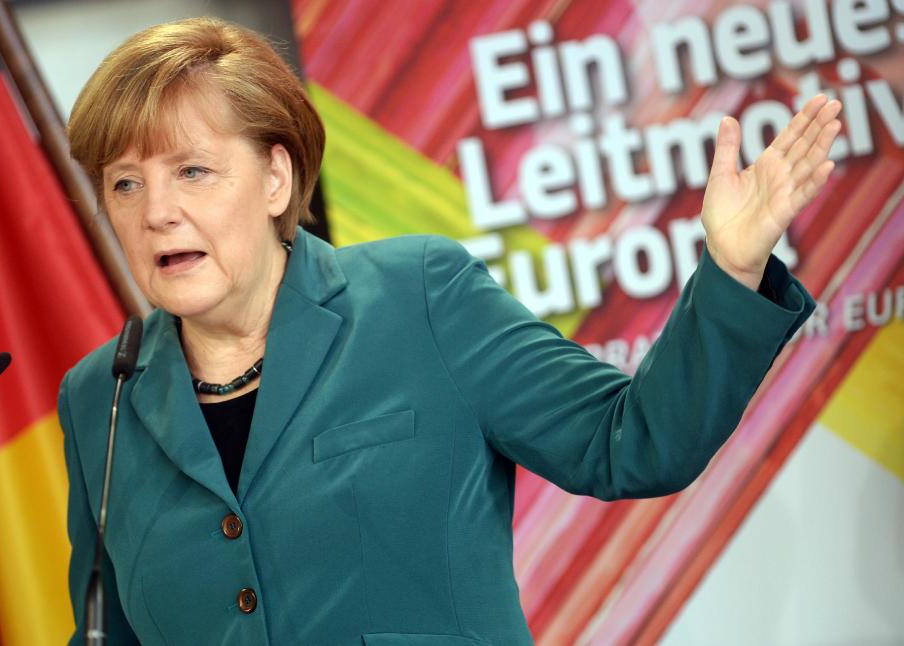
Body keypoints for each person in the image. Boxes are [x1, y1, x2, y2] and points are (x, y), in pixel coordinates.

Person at [59, 16, 840, 646]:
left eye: (191, 171)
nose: (155, 210)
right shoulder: (102, 395)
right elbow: (108, 632)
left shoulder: (417, 295)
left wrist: (731, 270)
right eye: (125, 183)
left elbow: (630, 440)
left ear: (276, 178)